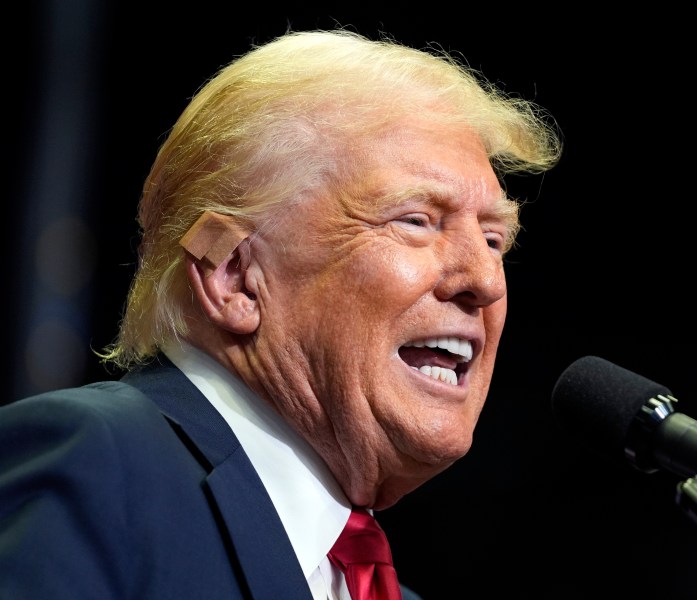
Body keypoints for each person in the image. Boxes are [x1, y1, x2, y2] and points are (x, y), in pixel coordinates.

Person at [0, 28, 562, 599]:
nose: (486, 282)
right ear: (236, 277)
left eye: (495, 240)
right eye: (416, 221)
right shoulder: (96, 466)